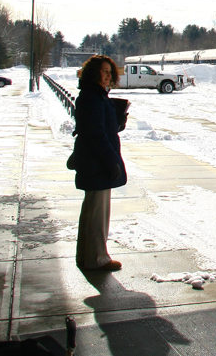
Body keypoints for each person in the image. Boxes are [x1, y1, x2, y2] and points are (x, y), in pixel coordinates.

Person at [68, 55, 127, 272]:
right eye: (104, 71)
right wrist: (112, 161)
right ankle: (97, 259)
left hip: (95, 160)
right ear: (94, 73)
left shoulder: (96, 96)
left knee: (92, 211)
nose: (108, 75)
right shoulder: (93, 98)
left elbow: (103, 128)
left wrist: (118, 121)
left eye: (110, 72)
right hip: (97, 162)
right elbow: (96, 134)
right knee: (97, 213)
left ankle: (86, 256)